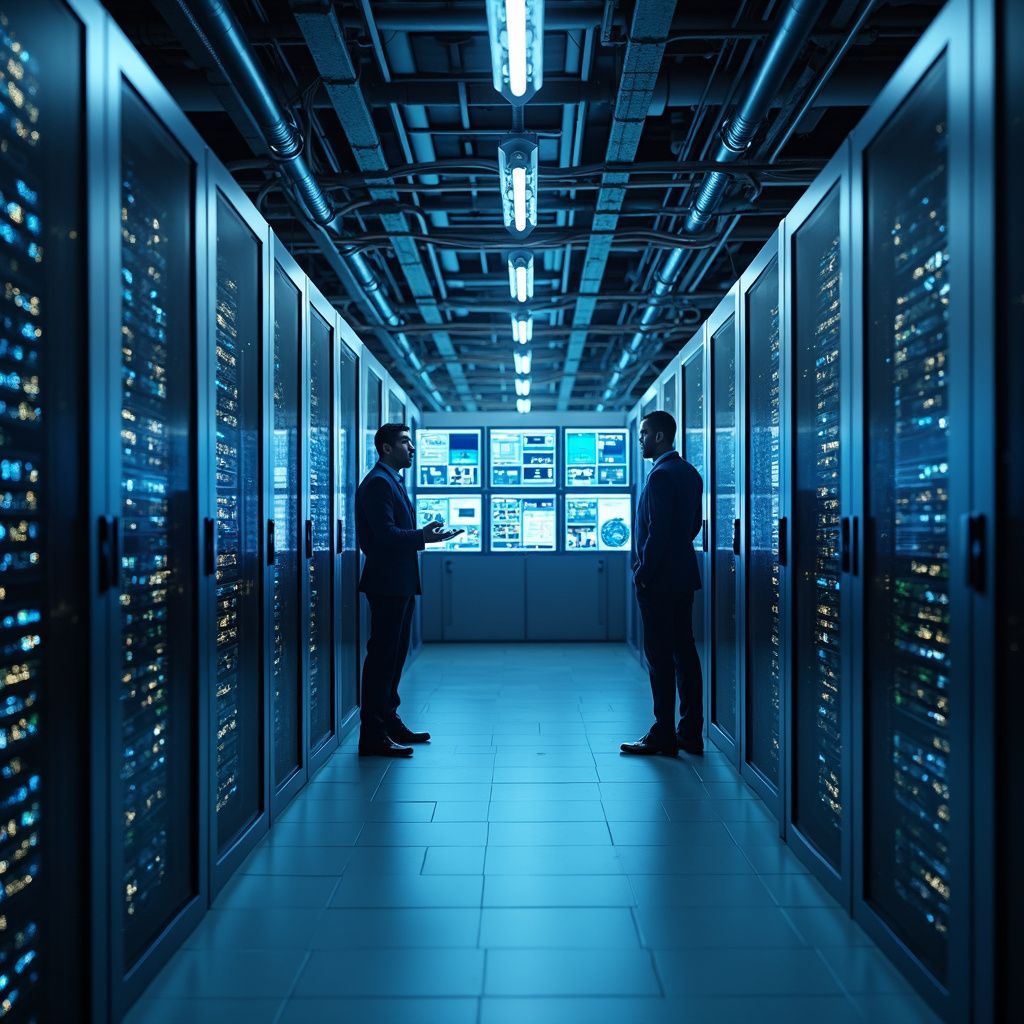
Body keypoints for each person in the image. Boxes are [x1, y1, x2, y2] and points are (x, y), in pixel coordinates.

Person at [356, 423, 460, 757]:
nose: (412, 448)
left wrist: (422, 534)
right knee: (382, 659)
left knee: (394, 657)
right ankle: (373, 735)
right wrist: (422, 537)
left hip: (398, 582)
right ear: (385, 448)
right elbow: (385, 536)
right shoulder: (378, 484)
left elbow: (393, 533)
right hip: (387, 583)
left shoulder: (390, 481)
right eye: (405, 442)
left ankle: (389, 721)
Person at [621, 410, 705, 757]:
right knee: (685, 652)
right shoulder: (689, 473)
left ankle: (663, 734)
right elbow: (691, 527)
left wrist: (643, 574)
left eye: (643, 434)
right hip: (683, 577)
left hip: (657, 582)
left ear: (659, 437)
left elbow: (657, 534)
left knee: (659, 658)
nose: (640, 439)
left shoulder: (659, 477)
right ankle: (690, 733)